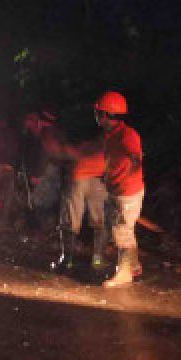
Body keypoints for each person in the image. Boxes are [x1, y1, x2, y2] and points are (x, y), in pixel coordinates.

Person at [96, 90, 145, 287]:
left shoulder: (127, 134)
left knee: (122, 230)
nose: (97, 117)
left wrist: (126, 176)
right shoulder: (112, 134)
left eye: (100, 113)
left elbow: (136, 158)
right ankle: (133, 265)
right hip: (117, 190)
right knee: (118, 227)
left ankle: (124, 272)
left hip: (127, 192)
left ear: (108, 114)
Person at [53, 129, 109, 274]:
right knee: (100, 221)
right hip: (100, 180)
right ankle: (97, 261)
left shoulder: (85, 144)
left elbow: (68, 154)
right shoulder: (111, 145)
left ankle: (67, 260)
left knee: (70, 219)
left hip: (78, 178)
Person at [21, 110, 63, 232]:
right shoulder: (52, 132)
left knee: (41, 200)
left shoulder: (47, 133)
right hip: (53, 168)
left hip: (48, 169)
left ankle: (45, 229)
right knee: (48, 200)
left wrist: (37, 174)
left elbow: (44, 154)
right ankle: (47, 229)